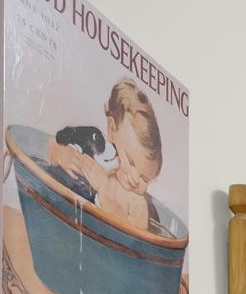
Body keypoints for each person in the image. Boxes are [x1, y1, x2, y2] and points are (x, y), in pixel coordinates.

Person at [47, 80, 167, 233]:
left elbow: (135, 236)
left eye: (145, 179)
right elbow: (53, 143)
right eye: (130, 161)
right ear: (111, 130)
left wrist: (104, 188)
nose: (135, 179)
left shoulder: (137, 202)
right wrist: (61, 154)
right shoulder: (103, 162)